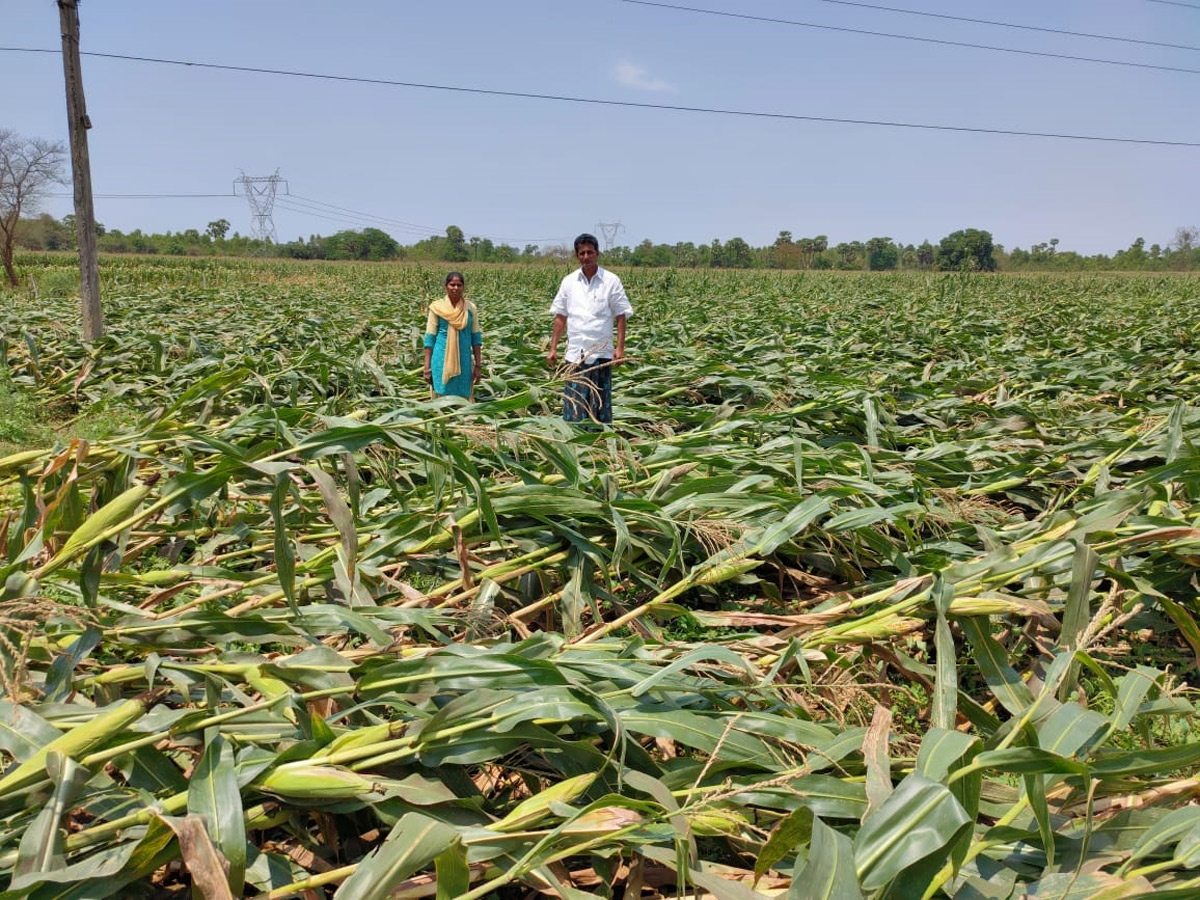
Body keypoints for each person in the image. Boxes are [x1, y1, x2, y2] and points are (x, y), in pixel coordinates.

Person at [546, 234, 633, 423]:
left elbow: (621, 316)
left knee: (600, 403)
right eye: (582, 253)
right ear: (577, 256)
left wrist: (620, 349)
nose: (586, 256)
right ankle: (576, 440)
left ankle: (598, 442)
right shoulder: (569, 282)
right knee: (574, 403)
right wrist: (553, 348)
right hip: (575, 353)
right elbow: (560, 316)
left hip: (601, 353)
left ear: (597, 253)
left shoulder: (611, 281)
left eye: (590, 252)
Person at [423, 271, 482, 398]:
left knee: (463, 396)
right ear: (446, 286)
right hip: (441, 359)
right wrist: (427, 368)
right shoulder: (437, 308)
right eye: (452, 284)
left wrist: (478, 365)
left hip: (464, 360)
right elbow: (430, 339)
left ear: (463, 287)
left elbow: (476, 338)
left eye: (459, 285)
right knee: (441, 394)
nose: (456, 288)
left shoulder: (470, 308)